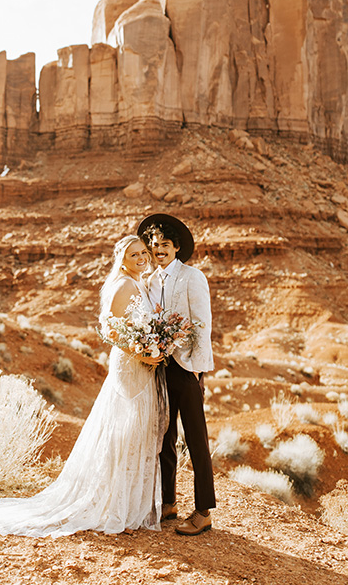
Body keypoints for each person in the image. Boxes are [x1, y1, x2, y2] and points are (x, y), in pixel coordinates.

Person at [0, 235, 164, 538]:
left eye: (144, 252)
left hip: (142, 365)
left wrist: (152, 347)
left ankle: (128, 508)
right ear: (122, 258)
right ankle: (116, 511)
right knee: (123, 432)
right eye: (134, 254)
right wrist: (140, 352)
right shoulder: (124, 285)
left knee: (134, 432)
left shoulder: (139, 283)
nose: (142, 257)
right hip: (130, 365)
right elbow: (110, 330)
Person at [138, 213, 216, 536]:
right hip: (160, 369)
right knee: (165, 437)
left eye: (165, 245)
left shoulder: (192, 277)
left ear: (176, 247)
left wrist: (198, 371)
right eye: (155, 245)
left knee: (195, 438)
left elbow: (202, 324)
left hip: (186, 369)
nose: (159, 250)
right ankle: (168, 502)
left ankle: (203, 511)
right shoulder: (150, 281)